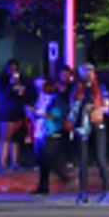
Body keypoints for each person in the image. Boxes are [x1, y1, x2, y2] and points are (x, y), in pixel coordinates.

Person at [32, 68, 77, 196]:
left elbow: (59, 113)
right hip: (39, 132)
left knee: (49, 159)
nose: (40, 88)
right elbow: (36, 113)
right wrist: (32, 113)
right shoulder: (40, 98)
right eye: (38, 86)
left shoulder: (56, 98)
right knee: (41, 160)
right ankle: (43, 187)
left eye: (43, 85)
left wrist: (42, 114)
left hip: (51, 132)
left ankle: (65, 179)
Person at [73, 63, 109, 203]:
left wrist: (97, 109)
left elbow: (107, 106)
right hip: (83, 125)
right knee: (83, 160)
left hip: (97, 123)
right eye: (85, 71)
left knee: (100, 157)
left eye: (90, 71)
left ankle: (107, 191)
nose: (88, 74)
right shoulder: (78, 89)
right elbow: (73, 106)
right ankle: (82, 193)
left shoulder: (101, 88)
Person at [0, 59, 29, 172]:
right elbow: (3, 95)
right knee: (5, 138)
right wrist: (10, 84)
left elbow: (23, 95)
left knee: (16, 139)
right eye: (11, 68)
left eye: (15, 68)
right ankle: (3, 164)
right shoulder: (2, 81)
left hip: (18, 112)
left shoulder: (20, 81)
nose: (13, 71)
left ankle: (15, 163)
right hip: (7, 112)